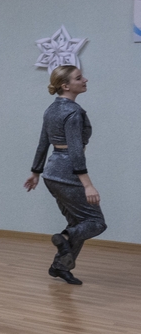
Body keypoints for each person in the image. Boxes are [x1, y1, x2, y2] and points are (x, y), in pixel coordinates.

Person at [24, 66, 106, 285]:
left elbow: (43, 143)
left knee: (78, 222)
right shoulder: (73, 112)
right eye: (79, 78)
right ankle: (64, 238)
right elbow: (76, 151)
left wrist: (36, 172)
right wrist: (87, 185)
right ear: (65, 85)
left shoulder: (51, 109)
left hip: (52, 173)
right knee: (96, 222)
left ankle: (60, 267)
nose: (85, 80)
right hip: (68, 172)